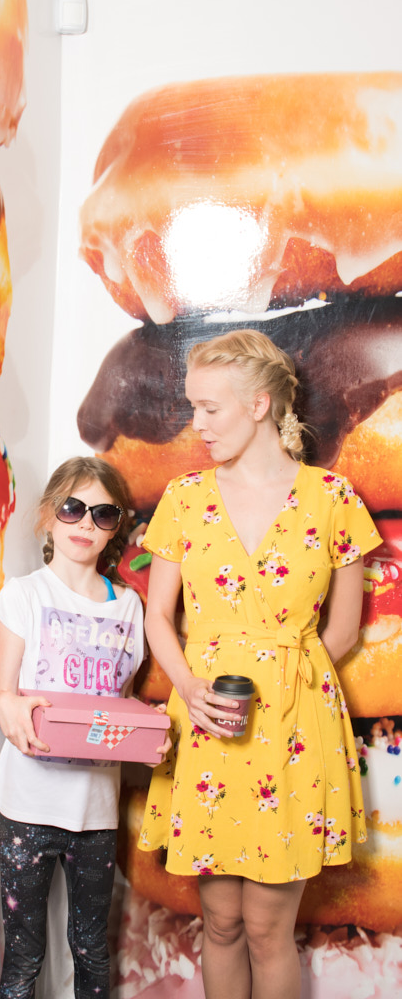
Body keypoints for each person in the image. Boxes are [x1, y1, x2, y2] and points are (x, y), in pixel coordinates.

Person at [137, 329, 382, 999]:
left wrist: (285, 681)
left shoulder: (331, 498)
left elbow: (339, 629)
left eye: (210, 408)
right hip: (205, 719)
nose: (197, 424)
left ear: (258, 405)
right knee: (218, 921)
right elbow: (159, 618)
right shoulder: (184, 498)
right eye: (193, 407)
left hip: (295, 729)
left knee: (269, 927)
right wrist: (190, 686)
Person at [0, 456, 167, 999]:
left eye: (103, 513)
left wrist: (151, 731)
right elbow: (3, 692)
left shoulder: (130, 607)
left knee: (91, 946)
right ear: (49, 515)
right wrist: (6, 707)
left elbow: (123, 703)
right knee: (24, 953)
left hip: (95, 809)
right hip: (26, 807)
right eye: (73, 508)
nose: (86, 523)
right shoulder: (24, 594)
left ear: (115, 526)